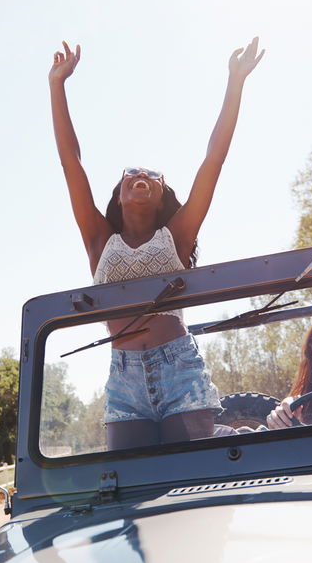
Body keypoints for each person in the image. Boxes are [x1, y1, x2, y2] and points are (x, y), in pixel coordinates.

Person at [49, 37, 264, 450]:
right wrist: (57, 84)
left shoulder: (176, 238)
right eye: (132, 171)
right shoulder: (99, 239)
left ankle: (233, 436)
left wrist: (235, 81)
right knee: (130, 484)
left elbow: (212, 162)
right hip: (122, 376)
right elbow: (70, 162)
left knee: (191, 475)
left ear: (163, 192)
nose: (141, 175)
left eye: (153, 173)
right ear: (119, 192)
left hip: (179, 368)